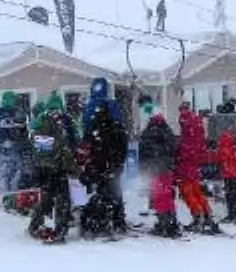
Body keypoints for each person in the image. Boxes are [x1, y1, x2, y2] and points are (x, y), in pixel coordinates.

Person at [27, 99, 81, 243]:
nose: (56, 114)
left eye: (57, 110)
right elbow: (59, 150)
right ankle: (59, 230)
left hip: (47, 169)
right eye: (53, 110)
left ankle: (36, 225)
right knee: (61, 200)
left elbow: (40, 150)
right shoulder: (48, 125)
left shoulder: (44, 124)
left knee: (47, 199)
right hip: (55, 169)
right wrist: (74, 168)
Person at [79, 92, 129, 237]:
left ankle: (102, 222)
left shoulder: (93, 127)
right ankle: (117, 221)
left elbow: (87, 148)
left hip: (99, 166)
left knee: (102, 194)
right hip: (111, 166)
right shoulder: (116, 127)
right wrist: (117, 164)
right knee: (114, 193)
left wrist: (89, 167)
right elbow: (122, 148)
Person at [176, 102, 221, 233]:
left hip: (186, 163)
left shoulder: (186, 121)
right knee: (196, 190)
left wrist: (179, 152)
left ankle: (198, 216)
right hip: (195, 162)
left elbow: (186, 144)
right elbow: (199, 143)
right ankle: (207, 214)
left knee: (187, 191)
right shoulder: (197, 122)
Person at [138, 111, 182, 238]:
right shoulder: (167, 132)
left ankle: (164, 223)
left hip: (154, 169)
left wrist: (143, 168)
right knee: (167, 195)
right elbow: (174, 149)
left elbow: (143, 152)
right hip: (167, 169)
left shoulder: (148, 133)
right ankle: (171, 222)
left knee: (158, 196)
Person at [0, 90, 30, 201]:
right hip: (14, 144)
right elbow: (24, 129)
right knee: (14, 169)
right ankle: (11, 193)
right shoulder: (19, 112)